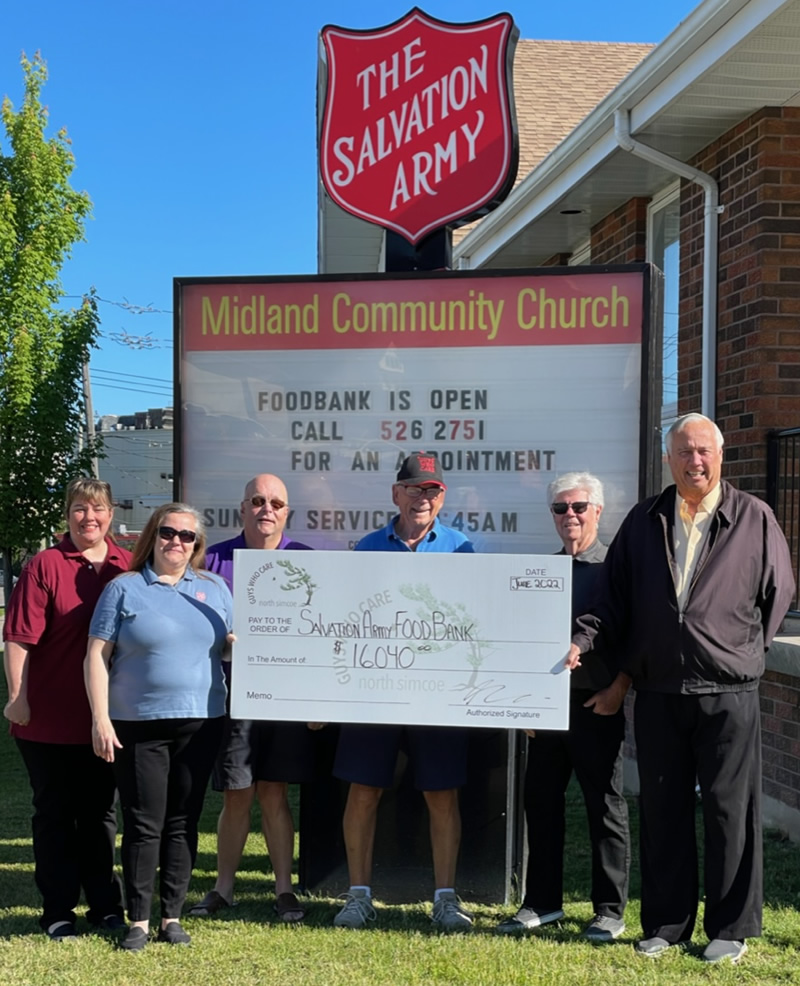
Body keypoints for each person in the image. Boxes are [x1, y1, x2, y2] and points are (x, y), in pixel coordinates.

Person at [566, 413, 795, 965]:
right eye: (684, 452)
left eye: (704, 452)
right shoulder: (644, 521)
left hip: (728, 691)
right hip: (661, 691)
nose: (695, 461)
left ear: (721, 457)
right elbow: (612, 600)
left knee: (728, 811)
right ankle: (667, 925)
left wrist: (743, 649)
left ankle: (731, 927)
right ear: (668, 459)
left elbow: (778, 590)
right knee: (663, 810)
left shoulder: (753, 517)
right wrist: (582, 639)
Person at [332, 452, 475, 932]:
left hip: (437, 694)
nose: (423, 497)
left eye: (432, 490)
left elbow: (472, 622)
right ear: (396, 494)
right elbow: (347, 623)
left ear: (442, 497)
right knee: (364, 789)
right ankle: (357, 896)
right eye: (414, 488)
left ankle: (446, 897)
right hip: (375, 689)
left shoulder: (462, 549)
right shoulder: (368, 547)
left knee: (442, 793)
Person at [85, 502, 232, 952]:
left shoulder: (215, 587)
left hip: (202, 722)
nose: (177, 542)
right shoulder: (124, 588)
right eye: (168, 532)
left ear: (197, 543)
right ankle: (140, 919)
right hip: (137, 723)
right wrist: (100, 718)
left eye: (187, 536)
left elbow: (227, 651)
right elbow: (96, 655)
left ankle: (172, 916)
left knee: (183, 821)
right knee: (144, 822)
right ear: (153, 535)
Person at [496, 472, 630, 941]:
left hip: (599, 707)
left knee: (604, 807)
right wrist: (527, 706)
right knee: (541, 804)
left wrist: (617, 691)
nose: (569, 516)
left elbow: (634, 638)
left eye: (578, 507)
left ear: (597, 511)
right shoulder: (543, 572)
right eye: (560, 508)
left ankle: (609, 910)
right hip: (547, 713)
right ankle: (542, 903)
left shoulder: (617, 568)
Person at [2, 478, 129, 941]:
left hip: (107, 721)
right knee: (54, 814)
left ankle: (105, 906)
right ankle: (57, 911)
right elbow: (17, 638)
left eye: (97, 510)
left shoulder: (128, 566)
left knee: (100, 816)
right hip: (48, 720)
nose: (88, 518)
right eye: (79, 509)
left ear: (111, 515)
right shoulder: (44, 565)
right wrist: (18, 695)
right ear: (67, 514)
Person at [189, 473, 315, 923]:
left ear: (287, 512)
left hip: (284, 699)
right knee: (238, 794)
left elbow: (318, 637)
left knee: (275, 793)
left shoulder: (307, 562)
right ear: (242, 508)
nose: (267, 509)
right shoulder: (213, 560)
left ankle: (284, 890)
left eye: (276, 503)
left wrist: (315, 702)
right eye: (257, 501)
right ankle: (224, 888)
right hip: (232, 697)